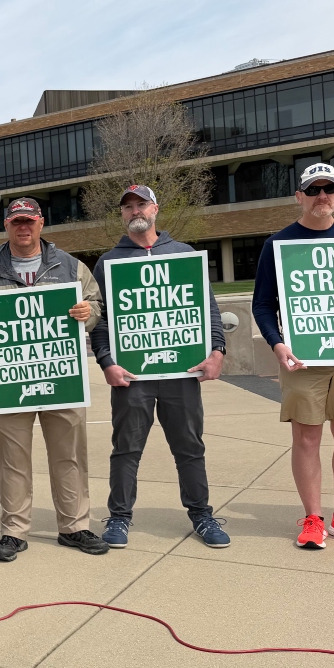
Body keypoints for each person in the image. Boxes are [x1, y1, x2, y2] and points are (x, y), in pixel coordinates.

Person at [0, 197, 110, 561]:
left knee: (69, 455)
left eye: (29, 221)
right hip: (8, 381)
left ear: (41, 223)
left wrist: (88, 314)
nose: (22, 228)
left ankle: (74, 526)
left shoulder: (70, 266)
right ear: (6, 227)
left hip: (62, 378)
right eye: (15, 222)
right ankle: (13, 530)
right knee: (12, 459)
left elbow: (96, 304)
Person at [90, 185, 231, 549]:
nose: (135, 210)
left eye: (141, 204)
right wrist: (106, 362)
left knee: (189, 447)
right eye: (128, 206)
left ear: (155, 208)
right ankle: (119, 517)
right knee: (126, 449)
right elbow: (101, 321)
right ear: (121, 214)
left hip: (181, 373)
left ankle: (201, 514)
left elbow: (208, 310)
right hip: (133, 375)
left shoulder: (183, 254)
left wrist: (217, 350)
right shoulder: (108, 263)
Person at [252, 163, 334, 550]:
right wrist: (278, 343)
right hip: (302, 357)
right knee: (307, 437)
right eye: (313, 190)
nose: (321, 196)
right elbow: (262, 305)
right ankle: (313, 518)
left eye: (329, 189)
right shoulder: (278, 244)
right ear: (300, 196)